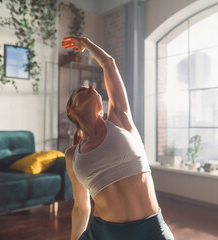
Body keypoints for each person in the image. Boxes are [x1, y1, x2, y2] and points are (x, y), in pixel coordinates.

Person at [63, 36, 174, 240]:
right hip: (104, 233)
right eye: (82, 90)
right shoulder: (72, 156)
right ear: (71, 110)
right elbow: (81, 208)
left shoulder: (120, 120)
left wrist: (86, 42)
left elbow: (109, 64)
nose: (91, 87)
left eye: (93, 88)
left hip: (151, 231)